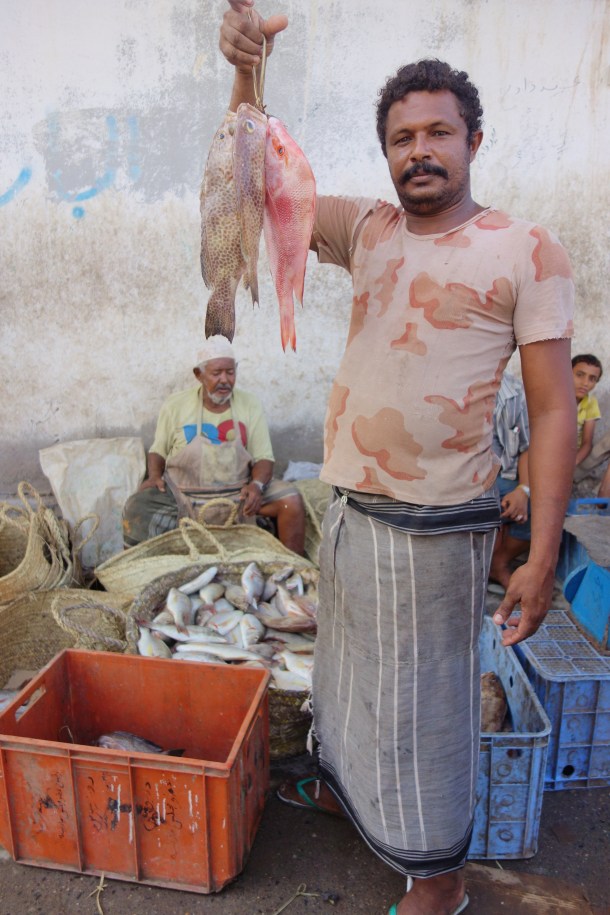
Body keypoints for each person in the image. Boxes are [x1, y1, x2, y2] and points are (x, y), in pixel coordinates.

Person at [220, 6, 576, 913]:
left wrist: (540, 556)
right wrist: (246, 73)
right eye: (402, 137)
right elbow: (253, 186)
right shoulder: (367, 229)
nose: (420, 150)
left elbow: (551, 411)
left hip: (439, 527)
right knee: (348, 679)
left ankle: (440, 879)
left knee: (426, 710)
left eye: (438, 133)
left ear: (473, 141)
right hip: (351, 511)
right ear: (386, 152)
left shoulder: (524, 247)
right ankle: (357, 798)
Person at [122, 334, 306, 555]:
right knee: (136, 506)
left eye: (230, 372)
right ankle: (141, 568)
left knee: (290, 501)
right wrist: (154, 476)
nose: (225, 380)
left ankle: (292, 567)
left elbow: (264, 457)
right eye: (216, 373)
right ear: (198, 374)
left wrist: (257, 486)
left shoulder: (250, 404)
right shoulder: (175, 405)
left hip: (238, 496)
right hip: (184, 497)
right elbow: (158, 451)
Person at [488, 372, 531, 591]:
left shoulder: (514, 392)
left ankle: (498, 563)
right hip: (460, 480)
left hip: (502, 476)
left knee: (539, 509)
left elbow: (527, 447)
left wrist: (523, 490)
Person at [572, 353, 602, 468]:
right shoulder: (556, 397)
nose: (585, 383)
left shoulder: (591, 403)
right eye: (579, 375)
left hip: (572, 455)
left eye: (592, 379)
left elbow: (587, 443)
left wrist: (571, 463)